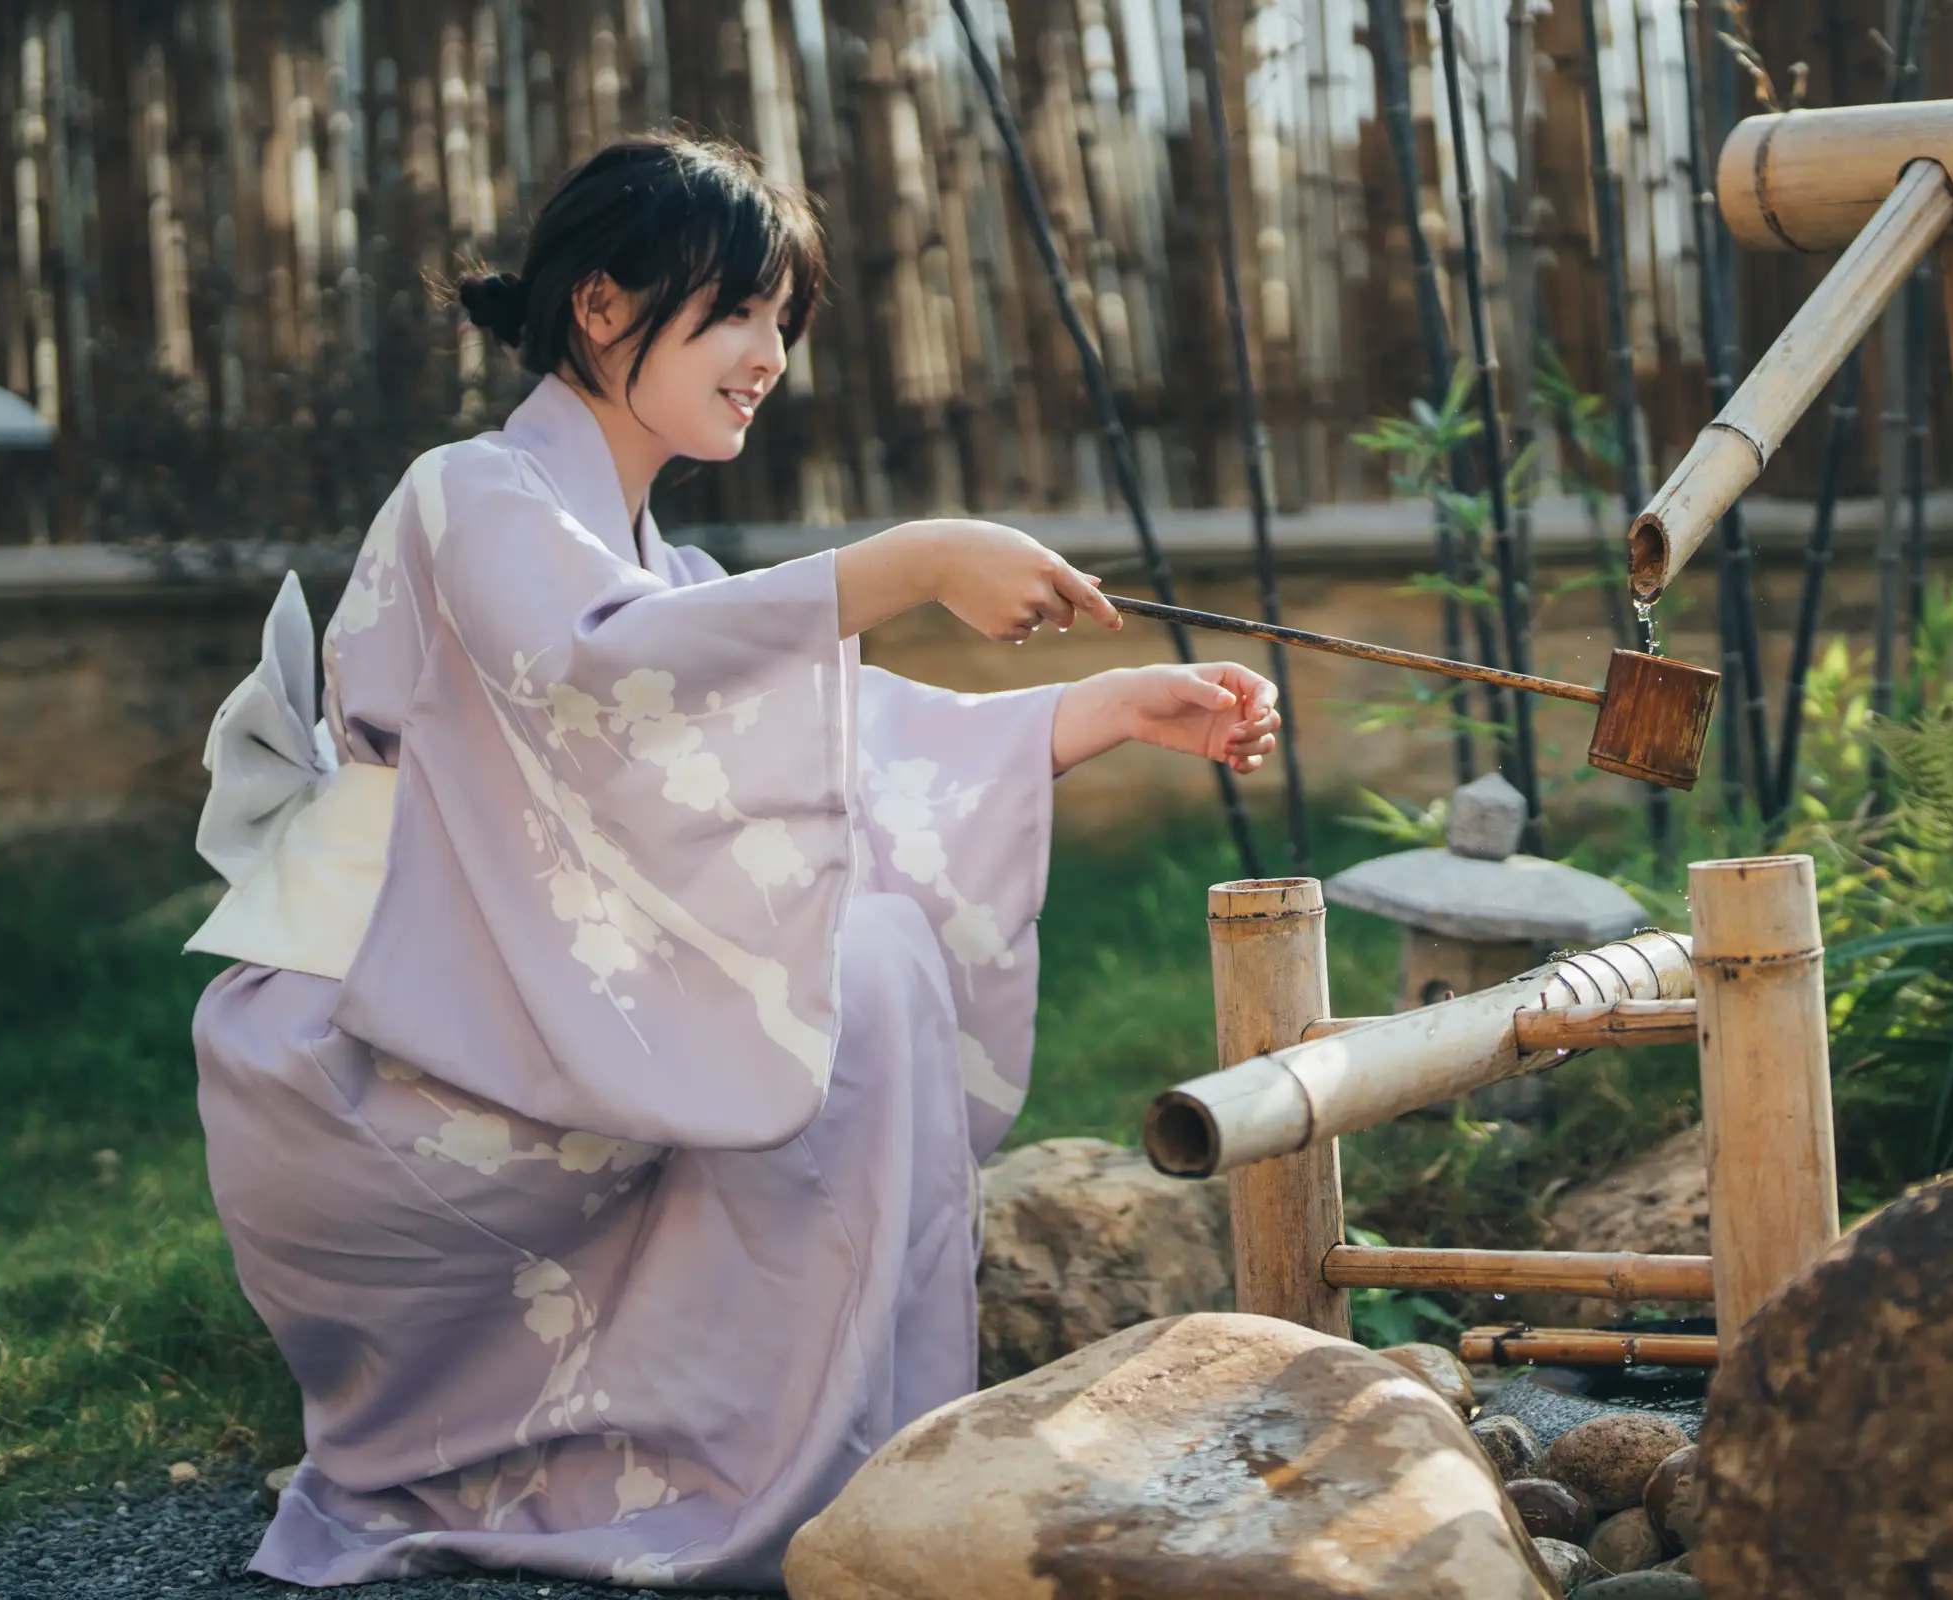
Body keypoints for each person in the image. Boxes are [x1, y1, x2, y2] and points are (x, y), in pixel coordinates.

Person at [181, 133, 1279, 1589]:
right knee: (867, 965)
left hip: (498, 1002)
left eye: (782, 321)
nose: (769, 355)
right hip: (384, 1046)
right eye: (737, 312)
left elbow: (827, 738)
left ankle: (823, 1448)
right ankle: (790, 1459)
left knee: (870, 959)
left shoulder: (644, 553)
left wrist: (1100, 711)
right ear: (601, 304)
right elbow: (604, 669)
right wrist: (907, 561)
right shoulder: (473, 495)